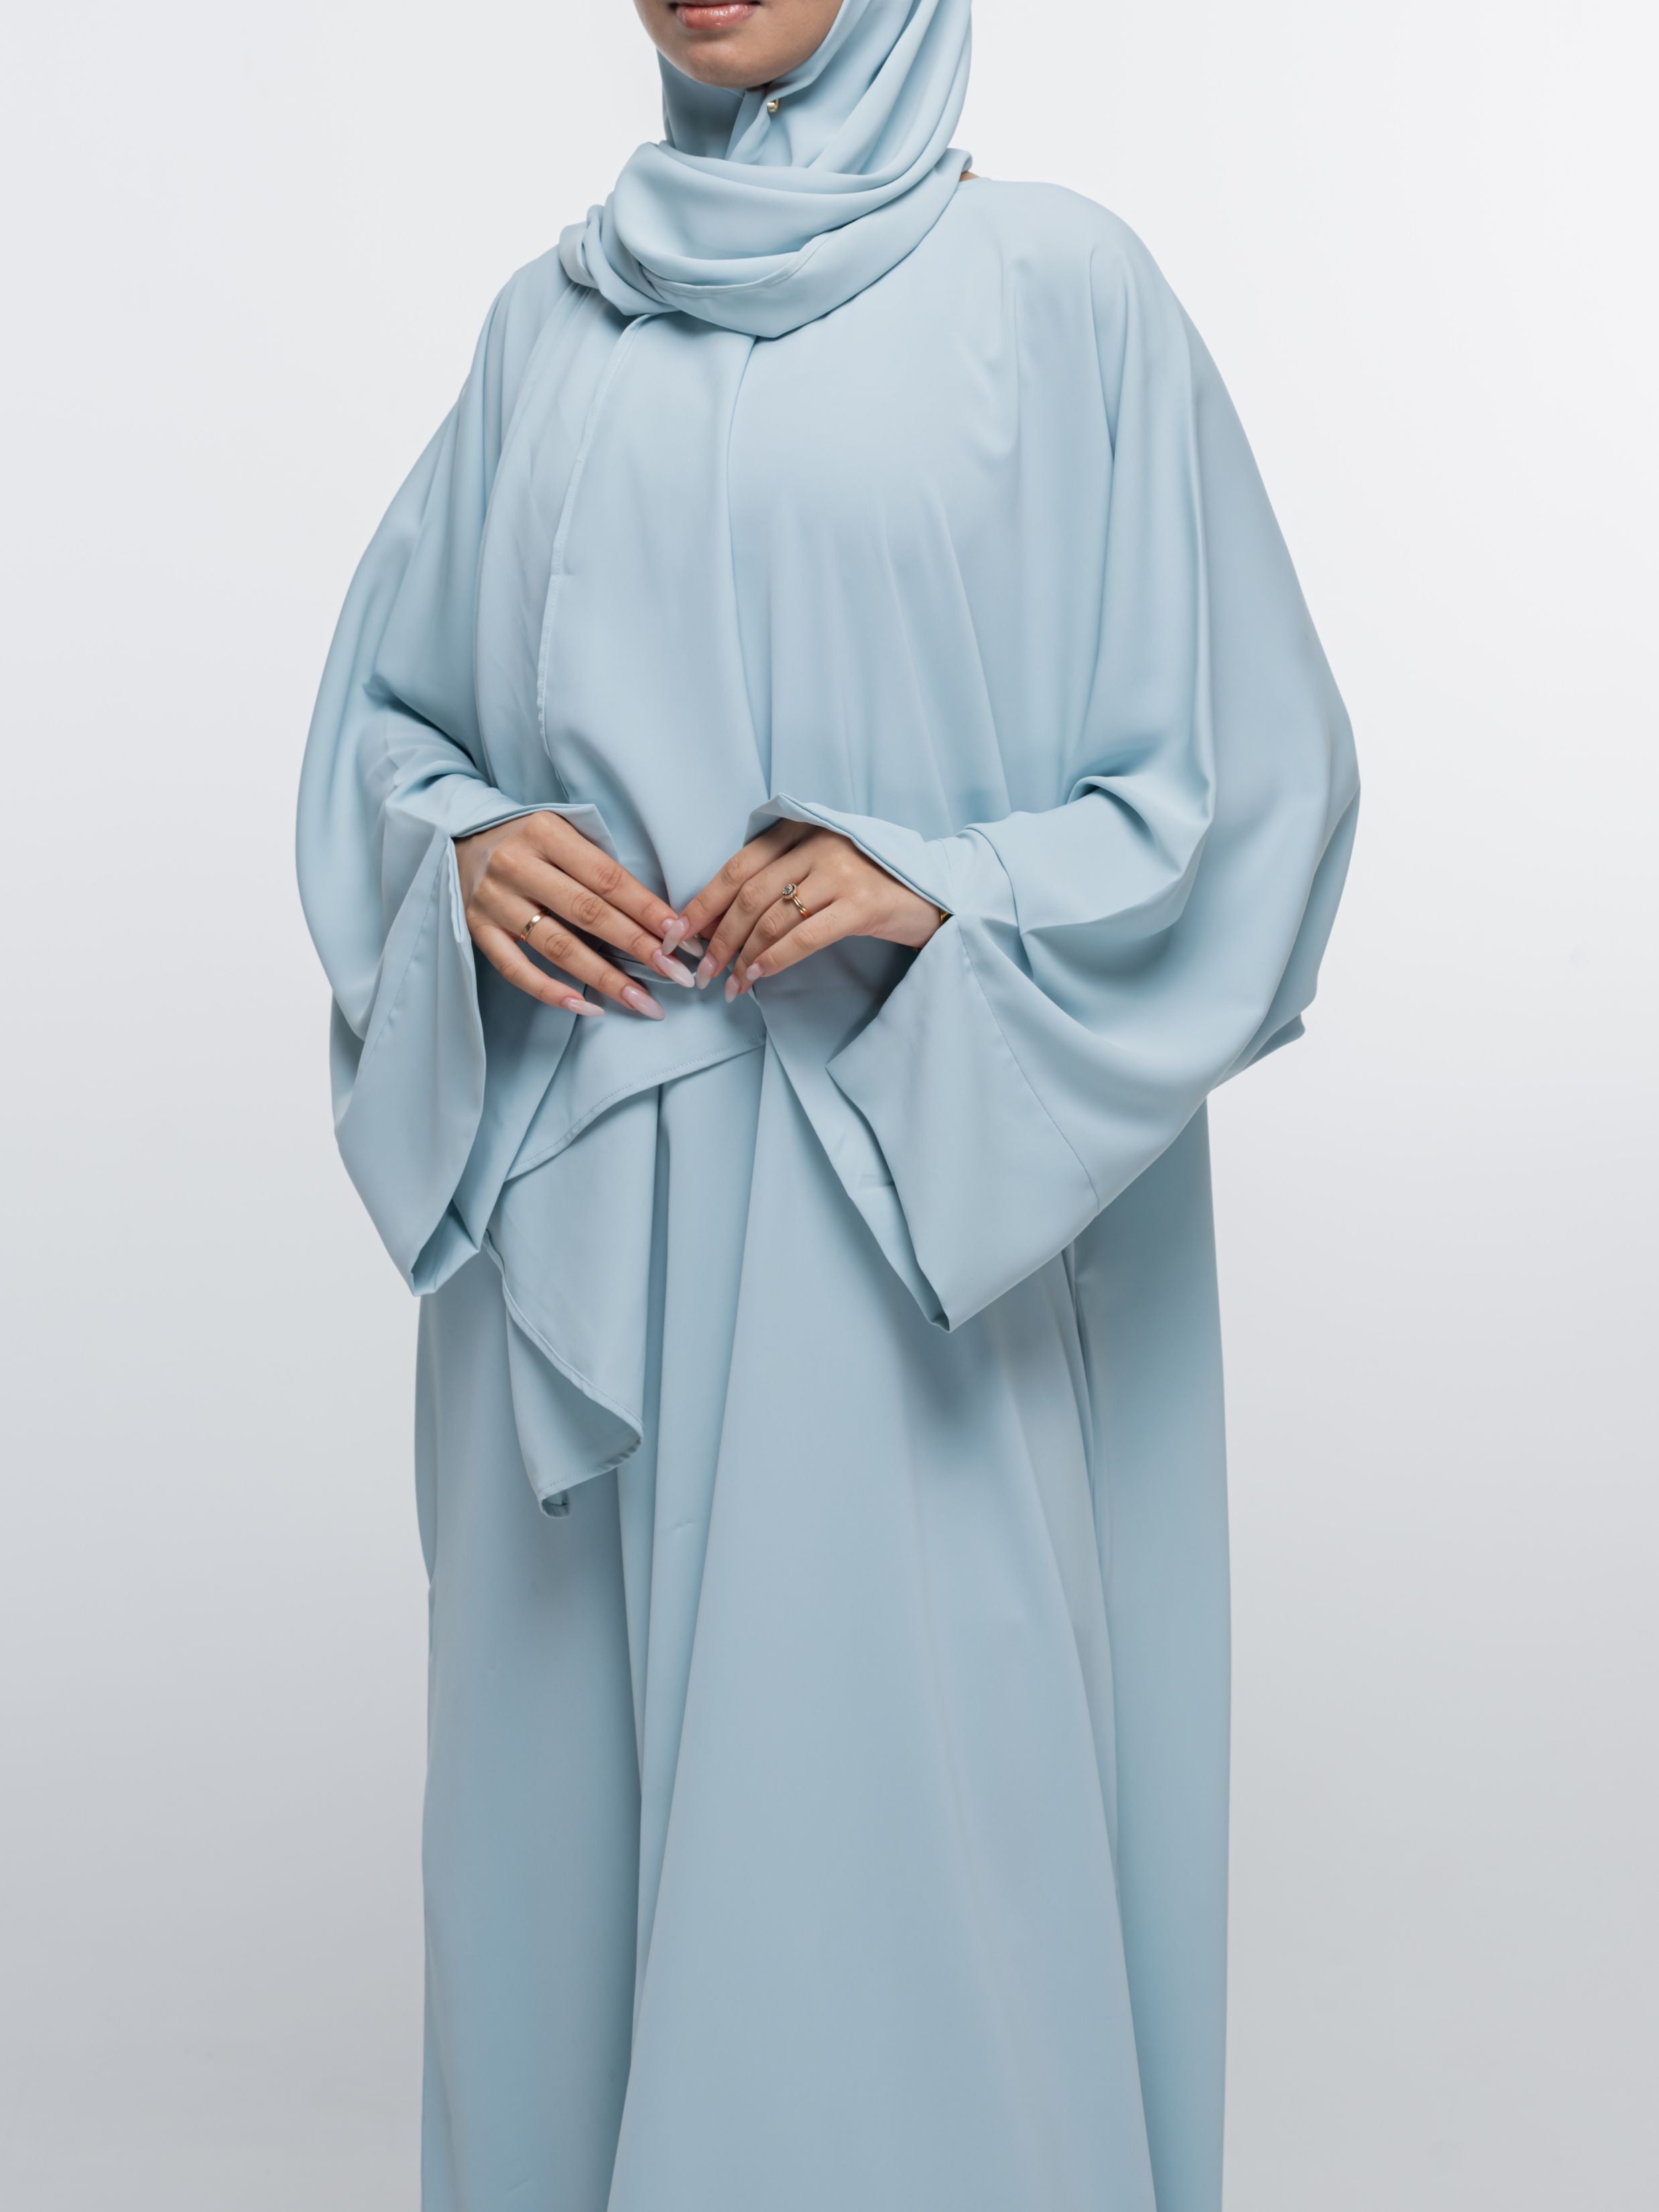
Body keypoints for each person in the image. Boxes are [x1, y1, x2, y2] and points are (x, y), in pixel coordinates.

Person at [296, 1, 1359, 2205]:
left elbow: (1243, 792)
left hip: (891, 1214)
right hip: (576, 1238)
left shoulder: (1056, 295)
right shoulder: (546, 333)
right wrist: (459, 852)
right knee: (556, 1916)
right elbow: (386, 734)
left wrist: (943, 884)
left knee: (896, 1897)